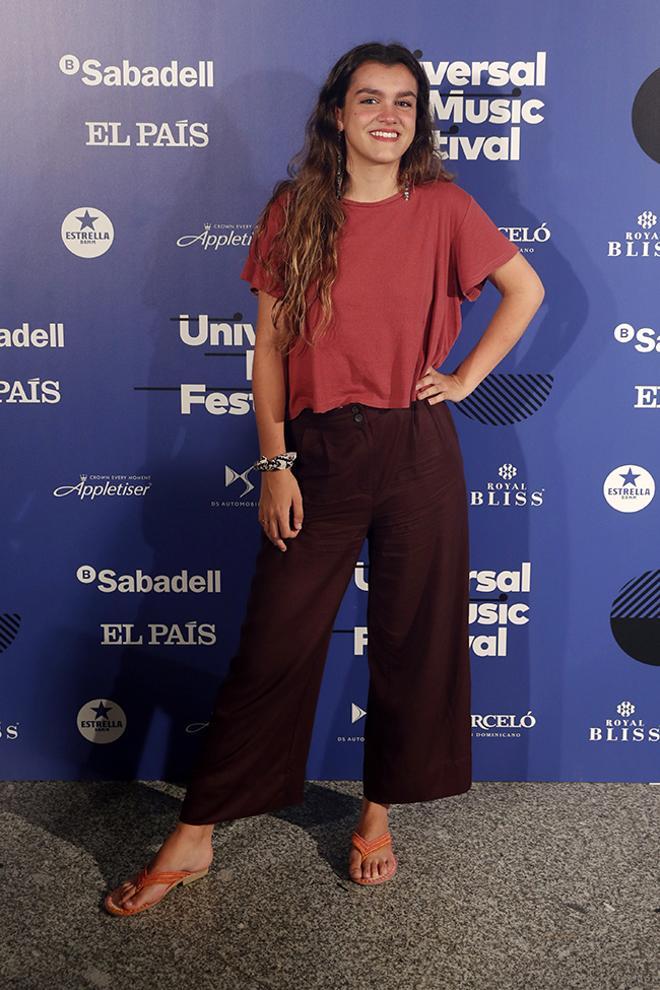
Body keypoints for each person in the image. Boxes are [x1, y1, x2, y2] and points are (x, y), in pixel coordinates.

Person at [104, 40, 544, 916]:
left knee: (414, 641)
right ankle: (195, 836)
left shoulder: (448, 207)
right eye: (370, 98)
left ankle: (376, 816)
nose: (389, 114)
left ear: (417, 122)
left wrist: (462, 380)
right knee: (274, 645)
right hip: (319, 451)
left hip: (419, 446)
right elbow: (267, 349)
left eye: (405, 102)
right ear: (337, 115)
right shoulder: (295, 209)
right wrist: (274, 461)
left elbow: (523, 290)